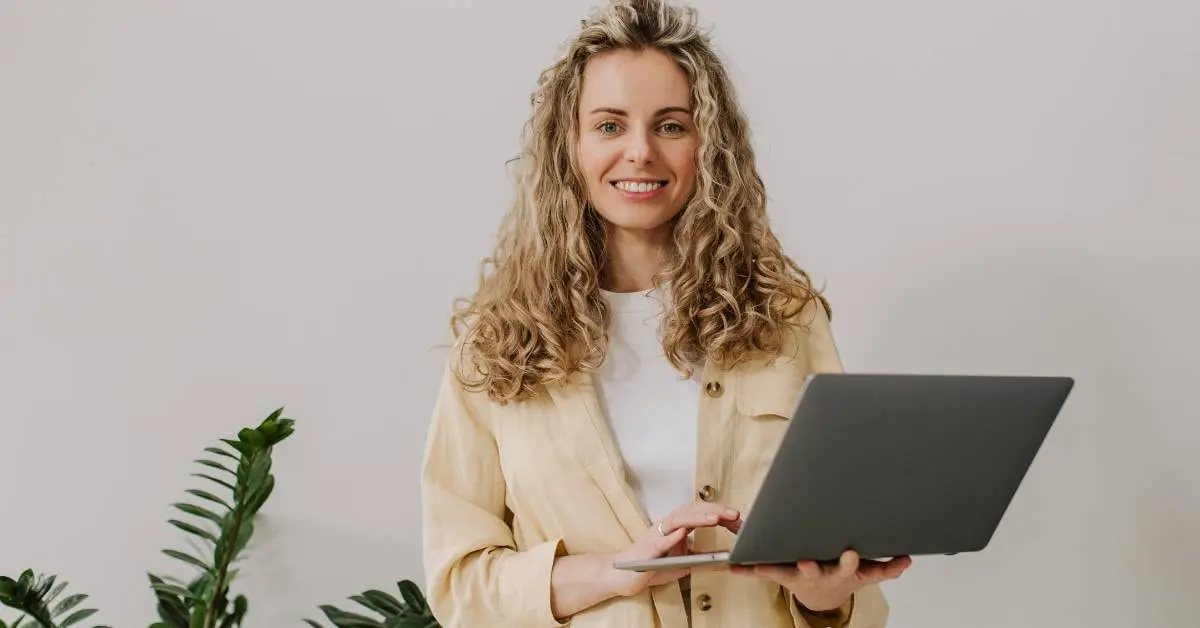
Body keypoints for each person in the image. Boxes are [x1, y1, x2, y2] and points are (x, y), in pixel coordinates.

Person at [420, 0, 911, 625]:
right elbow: (459, 585)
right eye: (608, 125)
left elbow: (839, 544)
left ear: (709, 146)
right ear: (567, 147)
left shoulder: (788, 320)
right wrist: (618, 571)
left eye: (671, 126)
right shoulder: (496, 344)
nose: (641, 152)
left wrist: (826, 597)